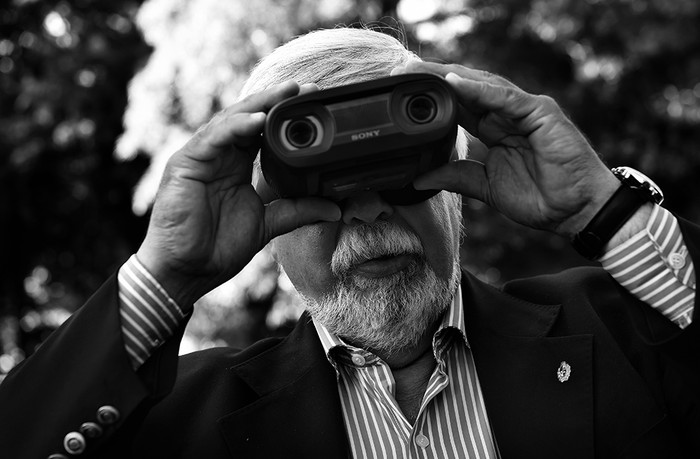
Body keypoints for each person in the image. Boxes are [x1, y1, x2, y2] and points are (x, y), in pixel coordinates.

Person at [0, 27, 698, 459]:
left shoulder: (618, 334)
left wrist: (602, 208)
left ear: (455, 183)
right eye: (323, 189)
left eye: (400, 173)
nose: (365, 210)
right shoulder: (184, 417)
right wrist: (166, 273)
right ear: (263, 214)